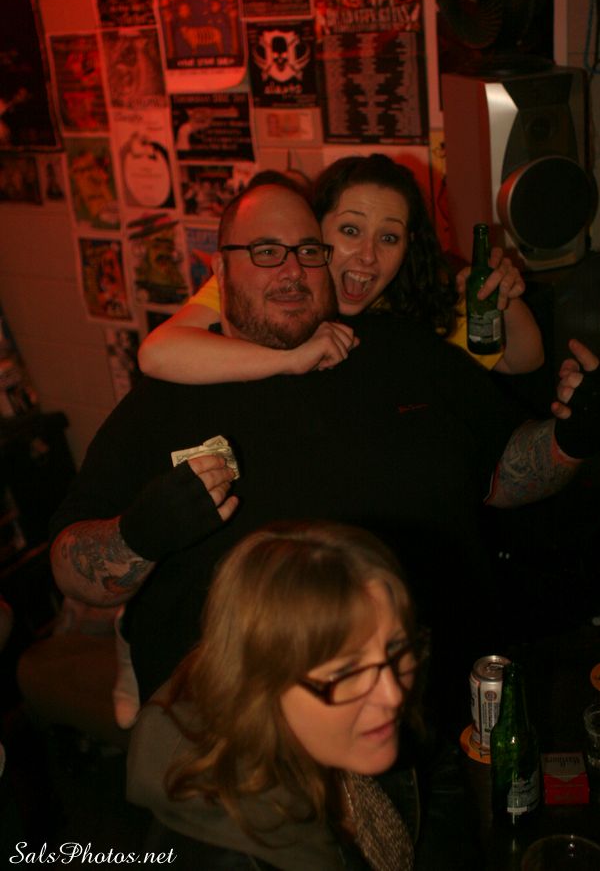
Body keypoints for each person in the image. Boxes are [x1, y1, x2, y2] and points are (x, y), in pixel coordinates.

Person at [49, 178, 600, 727]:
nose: (292, 271)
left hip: (436, 721)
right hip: (242, 746)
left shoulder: (405, 350)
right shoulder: (169, 395)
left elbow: (507, 474)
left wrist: (573, 434)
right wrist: (138, 535)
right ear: (220, 270)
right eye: (266, 251)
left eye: (308, 251)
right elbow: (71, 567)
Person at [128, 520, 476, 870]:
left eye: (396, 648)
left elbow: (436, 766)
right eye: (347, 672)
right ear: (259, 687)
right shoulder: (227, 859)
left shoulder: (370, 708)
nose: (394, 695)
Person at [136, 156, 544, 383]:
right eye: (350, 230)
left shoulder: (413, 297)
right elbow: (158, 353)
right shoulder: (272, 280)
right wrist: (291, 359)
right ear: (316, 228)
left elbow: (522, 361)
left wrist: (504, 299)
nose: (368, 256)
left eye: (388, 238)